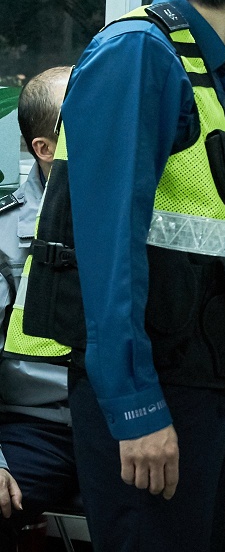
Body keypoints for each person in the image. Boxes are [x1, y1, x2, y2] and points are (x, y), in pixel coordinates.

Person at [19, 0, 225, 551]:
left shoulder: (193, 65)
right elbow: (106, 247)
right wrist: (135, 407)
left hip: (193, 381)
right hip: (155, 391)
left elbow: (180, 233)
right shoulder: (139, 54)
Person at [0, 66, 75, 547]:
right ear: (44, 149)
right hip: (37, 426)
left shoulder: (155, 212)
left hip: (129, 421)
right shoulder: (5, 234)